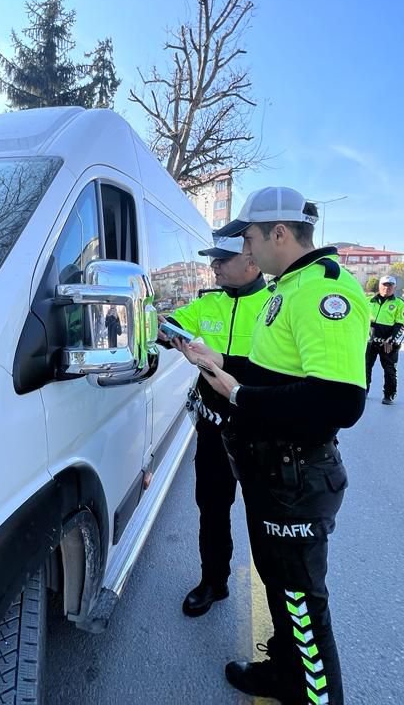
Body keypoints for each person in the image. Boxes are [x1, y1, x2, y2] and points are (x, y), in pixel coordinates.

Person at [171, 186, 367, 705]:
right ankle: (284, 674)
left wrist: (238, 392)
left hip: (296, 477)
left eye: (250, 238)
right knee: (281, 593)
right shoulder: (290, 286)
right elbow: (272, 373)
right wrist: (220, 366)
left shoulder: (326, 291)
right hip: (272, 472)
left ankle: (312, 693)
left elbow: (339, 401)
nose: (247, 250)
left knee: (302, 609)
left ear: (279, 233)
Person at [157, 236, 268, 618]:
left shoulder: (275, 305)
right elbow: (170, 327)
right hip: (213, 429)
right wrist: (167, 332)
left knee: (264, 518)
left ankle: (278, 601)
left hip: (260, 433)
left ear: (252, 260)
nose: (215, 265)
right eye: (213, 258)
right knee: (212, 509)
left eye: (224, 258)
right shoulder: (207, 302)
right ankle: (214, 581)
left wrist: (221, 361)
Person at [366, 275, 404, 405]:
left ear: (394, 287)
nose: (387, 288)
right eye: (384, 285)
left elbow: (402, 324)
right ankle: (363, 391)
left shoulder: (399, 304)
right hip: (370, 341)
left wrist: (391, 339)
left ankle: (389, 395)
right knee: (364, 368)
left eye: (390, 285)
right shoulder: (368, 301)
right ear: (379, 286)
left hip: (388, 343)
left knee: (390, 370)